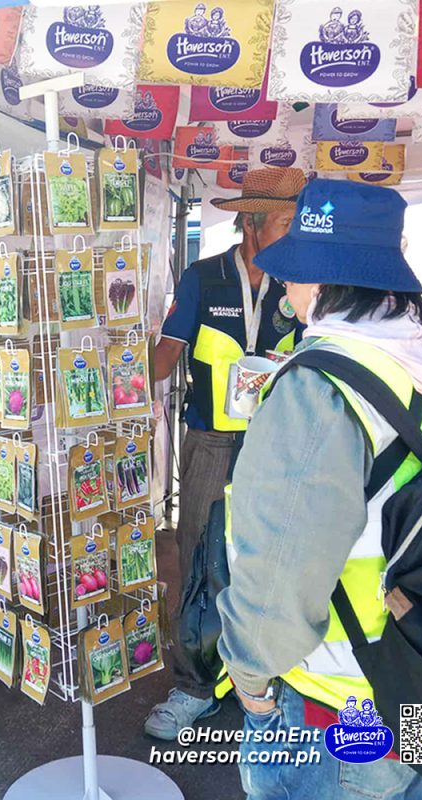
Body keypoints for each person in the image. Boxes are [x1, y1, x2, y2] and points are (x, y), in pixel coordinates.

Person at [216, 178, 422, 799]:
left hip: (340, 701)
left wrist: (251, 685)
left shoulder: (317, 389)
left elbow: (279, 572)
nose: (285, 283)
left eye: (296, 270)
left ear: (325, 282)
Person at [143, 167, 306, 741]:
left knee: (272, 559)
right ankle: (194, 686)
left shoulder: (301, 284)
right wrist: (116, 370)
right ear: (252, 224)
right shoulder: (203, 278)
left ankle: (264, 682)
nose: (295, 233)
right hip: (212, 442)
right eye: (285, 223)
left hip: (278, 442)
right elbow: (164, 358)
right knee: (199, 561)